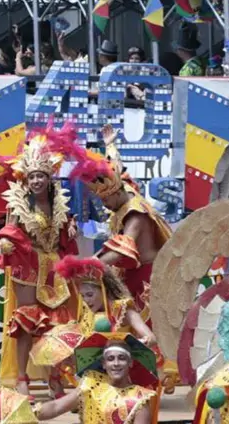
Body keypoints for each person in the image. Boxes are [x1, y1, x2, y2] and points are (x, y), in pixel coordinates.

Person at [0, 122, 80, 398]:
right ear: (25, 180)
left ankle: (55, 377)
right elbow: (10, 230)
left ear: (49, 178)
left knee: (55, 324)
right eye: (32, 177)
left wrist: (70, 228)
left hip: (54, 269)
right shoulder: (16, 202)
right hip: (27, 267)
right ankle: (23, 378)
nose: (36, 181)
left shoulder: (59, 202)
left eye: (41, 176)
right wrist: (5, 243)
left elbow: (62, 234)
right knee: (27, 322)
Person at [68, 124, 172, 317]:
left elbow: (122, 247)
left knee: (143, 329)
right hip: (130, 275)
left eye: (105, 199)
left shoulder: (135, 212)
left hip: (147, 279)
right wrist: (111, 146)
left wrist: (92, 264)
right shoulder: (127, 192)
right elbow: (117, 170)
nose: (104, 205)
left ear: (116, 192)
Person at [33, 333, 159, 424]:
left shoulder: (139, 399)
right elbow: (56, 407)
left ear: (130, 362)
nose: (116, 363)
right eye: (110, 359)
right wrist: (31, 412)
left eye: (121, 358)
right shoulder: (91, 385)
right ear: (104, 364)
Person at [54, 255, 157, 344]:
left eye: (90, 295)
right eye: (82, 296)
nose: (86, 300)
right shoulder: (86, 314)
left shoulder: (123, 309)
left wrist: (125, 347)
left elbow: (151, 338)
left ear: (104, 290)